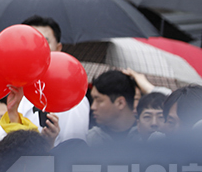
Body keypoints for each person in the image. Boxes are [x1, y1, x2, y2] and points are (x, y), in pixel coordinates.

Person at [18, 16, 89, 144]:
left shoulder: (71, 96)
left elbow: (73, 148)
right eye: (30, 42)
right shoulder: (13, 89)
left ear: (58, 48)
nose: (37, 48)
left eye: (44, 42)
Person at [86, 70, 139, 145]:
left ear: (120, 103)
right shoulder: (90, 141)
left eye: (99, 100)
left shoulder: (149, 139)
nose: (93, 107)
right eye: (93, 100)